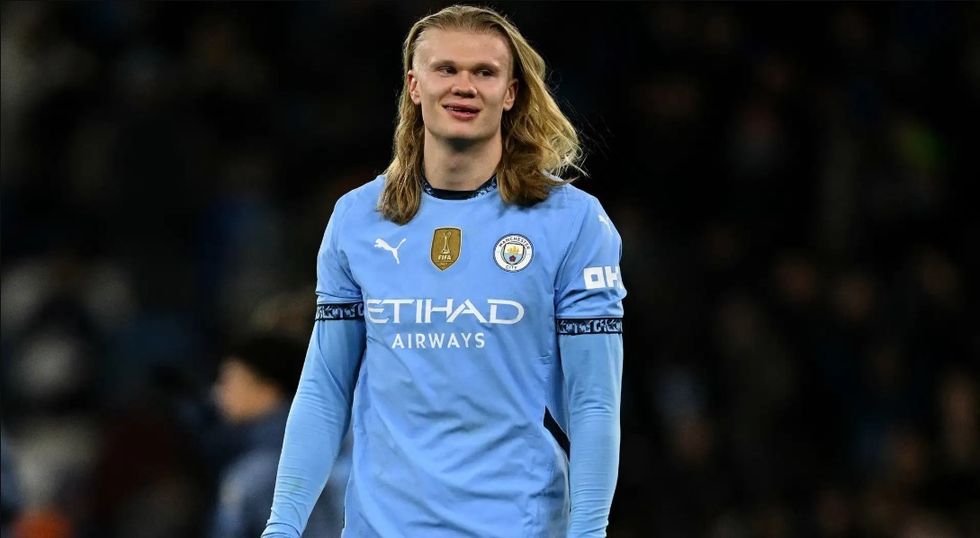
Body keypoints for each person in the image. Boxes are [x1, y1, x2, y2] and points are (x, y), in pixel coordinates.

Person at [263, 5, 625, 537]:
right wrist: (282, 525)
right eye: (446, 69)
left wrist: (589, 532)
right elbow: (325, 389)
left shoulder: (572, 222)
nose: (464, 86)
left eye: (485, 72)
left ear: (510, 93)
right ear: (414, 85)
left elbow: (593, 402)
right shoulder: (358, 219)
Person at [212, 334, 347, 538]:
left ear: (267, 390)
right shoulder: (327, 440)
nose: (218, 393)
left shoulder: (260, 471)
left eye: (228, 381)